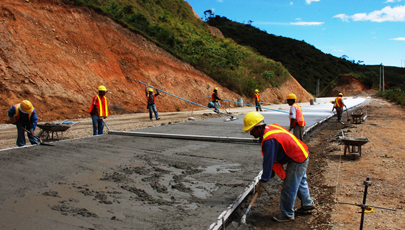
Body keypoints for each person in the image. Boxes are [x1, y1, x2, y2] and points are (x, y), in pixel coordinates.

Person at [242, 111, 315, 222]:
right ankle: (307, 204)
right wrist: (270, 173)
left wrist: (264, 180)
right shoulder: (270, 128)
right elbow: (274, 158)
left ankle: (287, 214)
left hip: (297, 158)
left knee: (289, 187)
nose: (251, 134)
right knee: (300, 182)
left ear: (258, 128)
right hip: (301, 153)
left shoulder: (269, 140)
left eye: (251, 130)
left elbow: (268, 161)